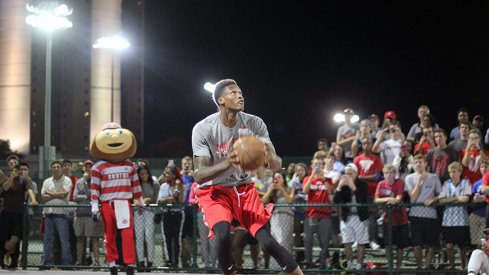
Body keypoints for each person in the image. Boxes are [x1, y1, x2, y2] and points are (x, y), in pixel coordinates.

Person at [191, 79, 303, 275]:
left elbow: (276, 165)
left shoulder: (255, 123)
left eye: (240, 92)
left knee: (267, 242)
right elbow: (199, 175)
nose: (240, 95)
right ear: (221, 100)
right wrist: (228, 162)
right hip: (215, 192)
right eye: (233, 93)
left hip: (244, 189)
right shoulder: (204, 128)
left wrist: (270, 153)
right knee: (223, 235)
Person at [90, 122, 144, 275]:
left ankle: (130, 264)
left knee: (127, 235)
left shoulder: (130, 166)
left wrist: (139, 202)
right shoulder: (97, 167)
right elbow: (95, 190)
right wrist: (94, 207)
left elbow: (136, 187)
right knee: (110, 234)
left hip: (124, 203)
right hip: (107, 204)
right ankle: (112, 264)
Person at [404, 154, 441, 269]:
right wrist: (419, 181)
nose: (418, 164)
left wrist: (433, 199)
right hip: (415, 215)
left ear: (425, 164)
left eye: (420, 162)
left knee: (431, 245)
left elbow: (441, 194)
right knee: (417, 245)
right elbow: (413, 198)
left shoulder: (434, 177)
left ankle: (427, 267)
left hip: (431, 215)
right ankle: (420, 267)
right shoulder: (409, 178)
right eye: (416, 162)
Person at [0, 164, 37, 270]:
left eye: (18, 169)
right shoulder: (6, 179)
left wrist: (33, 200)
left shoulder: (24, 179)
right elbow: (6, 188)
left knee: (15, 239)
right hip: (6, 214)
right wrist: (12, 177)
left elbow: (30, 190)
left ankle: (2, 253)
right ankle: (8, 260)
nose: (17, 171)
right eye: (14, 170)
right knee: (4, 238)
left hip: (19, 214)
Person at [333, 164, 369, 271]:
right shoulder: (343, 185)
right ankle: (349, 264)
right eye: (346, 174)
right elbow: (336, 201)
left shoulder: (363, 184)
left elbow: (362, 199)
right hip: (346, 217)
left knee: (361, 242)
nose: (348, 176)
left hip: (360, 217)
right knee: (347, 241)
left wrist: (352, 186)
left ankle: (359, 265)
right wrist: (339, 187)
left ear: (356, 174)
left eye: (350, 173)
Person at [374, 164, 409, 271]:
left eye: (391, 173)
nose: (389, 175)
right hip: (387, 219)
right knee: (387, 245)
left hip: (401, 219)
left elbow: (398, 198)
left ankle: (398, 267)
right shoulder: (381, 184)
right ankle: (390, 266)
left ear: (395, 174)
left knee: (400, 246)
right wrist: (389, 198)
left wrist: (391, 199)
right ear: (383, 175)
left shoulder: (400, 182)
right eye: (386, 173)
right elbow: (376, 199)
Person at [301, 158, 333, 269]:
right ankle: (309, 263)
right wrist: (312, 175)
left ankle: (322, 265)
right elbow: (305, 191)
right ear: (311, 166)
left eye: (320, 164)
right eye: (316, 164)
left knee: (324, 242)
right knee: (308, 240)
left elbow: (330, 191)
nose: (318, 166)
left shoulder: (328, 179)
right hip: (311, 215)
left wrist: (323, 179)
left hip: (325, 215)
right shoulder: (307, 178)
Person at [438, 161, 471, 269]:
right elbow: (442, 200)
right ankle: (452, 266)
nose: (452, 174)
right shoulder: (446, 184)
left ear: (460, 172)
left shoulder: (466, 182)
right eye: (450, 172)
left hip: (461, 220)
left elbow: (465, 199)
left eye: (454, 171)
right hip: (448, 221)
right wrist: (457, 198)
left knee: (462, 247)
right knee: (449, 246)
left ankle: (462, 266)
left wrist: (450, 200)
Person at [41, 160, 73, 268]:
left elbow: (64, 194)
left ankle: (66, 263)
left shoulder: (67, 180)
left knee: (64, 240)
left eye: (58, 166)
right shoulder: (46, 181)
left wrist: (49, 193)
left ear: (61, 168)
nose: (56, 168)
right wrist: (57, 194)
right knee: (47, 240)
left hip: (61, 214)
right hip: (48, 214)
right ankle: (47, 263)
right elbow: (43, 197)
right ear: (51, 169)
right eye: (54, 167)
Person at [262, 171, 295, 270]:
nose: (276, 180)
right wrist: (270, 190)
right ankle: (275, 268)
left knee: (284, 242)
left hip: (286, 217)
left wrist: (282, 188)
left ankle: (287, 267)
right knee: (276, 242)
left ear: (283, 179)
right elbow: (263, 202)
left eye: (279, 177)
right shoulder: (272, 192)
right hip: (275, 219)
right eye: (275, 178)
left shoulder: (290, 188)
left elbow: (290, 200)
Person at [73, 160, 103, 266]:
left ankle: (96, 262)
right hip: (79, 214)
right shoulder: (78, 181)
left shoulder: (96, 181)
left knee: (94, 238)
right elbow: (74, 197)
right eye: (86, 167)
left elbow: (97, 196)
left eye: (90, 167)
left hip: (91, 215)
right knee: (80, 238)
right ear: (83, 169)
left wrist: (87, 186)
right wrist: (86, 196)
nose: (88, 169)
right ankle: (79, 262)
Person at [157, 165, 184, 268]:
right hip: (166, 214)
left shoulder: (180, 185)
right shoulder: (163, 186)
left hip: (177, 214)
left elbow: (181, 200)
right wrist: (172, 198)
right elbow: (159, 201)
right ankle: (169, 261)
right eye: (164, 173)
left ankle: (176, 262)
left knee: (176, 238)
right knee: (167, 238)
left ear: (173, 175)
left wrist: (177, 187)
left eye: (167, 173)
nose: (165, 175)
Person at [134, 165, 159, 271]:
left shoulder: (154, 183)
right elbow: (133, 198)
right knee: (139, 237)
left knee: (149, 236)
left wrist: (149, 200)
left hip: (150, 211)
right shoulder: (135, 184)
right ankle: (140, 262)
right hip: (138, 211)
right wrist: (141, 202)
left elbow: (157, 199)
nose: (144, 176)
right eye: (142, 174)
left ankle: (150, 262)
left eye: (146, 173)